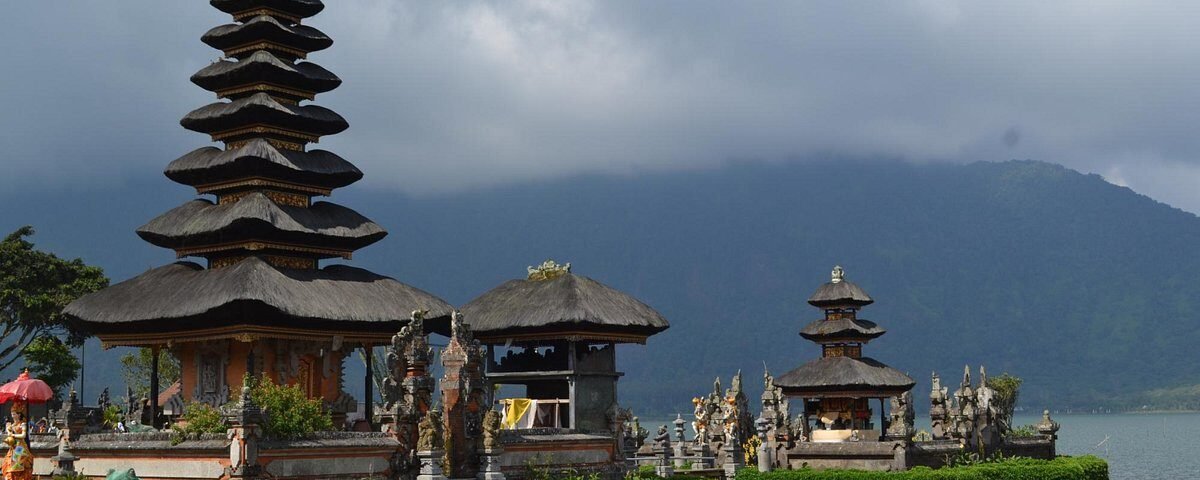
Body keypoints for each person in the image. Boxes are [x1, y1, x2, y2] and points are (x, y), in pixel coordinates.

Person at [2, 403, 33, 480]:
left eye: (14, 414)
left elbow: (23, 435)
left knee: (17, 465)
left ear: (19, 415)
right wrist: (8, 430)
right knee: (8, 463)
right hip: (13, 446)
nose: (13, 416)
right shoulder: (11, 425)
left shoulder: (23, 424)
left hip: (20, 447)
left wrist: (13, 435)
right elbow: (9, 435)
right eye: (12, 414)